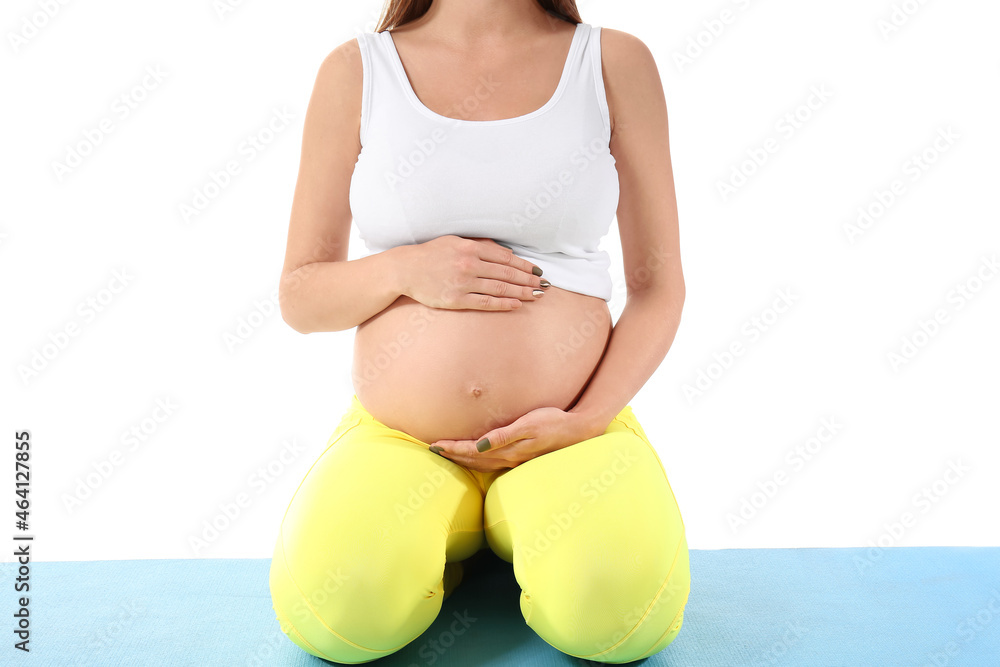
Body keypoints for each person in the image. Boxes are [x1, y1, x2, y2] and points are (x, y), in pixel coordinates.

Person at [268, 0, 689, 663]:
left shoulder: (612, 64)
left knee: (616, 614)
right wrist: (408, 268)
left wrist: (586, 418)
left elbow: (660, 287)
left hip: (570, 435)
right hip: (407, 438)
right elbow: (301, 295)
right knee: (337, 611)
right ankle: (463, 547)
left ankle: (502, 542)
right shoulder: (358, 70)